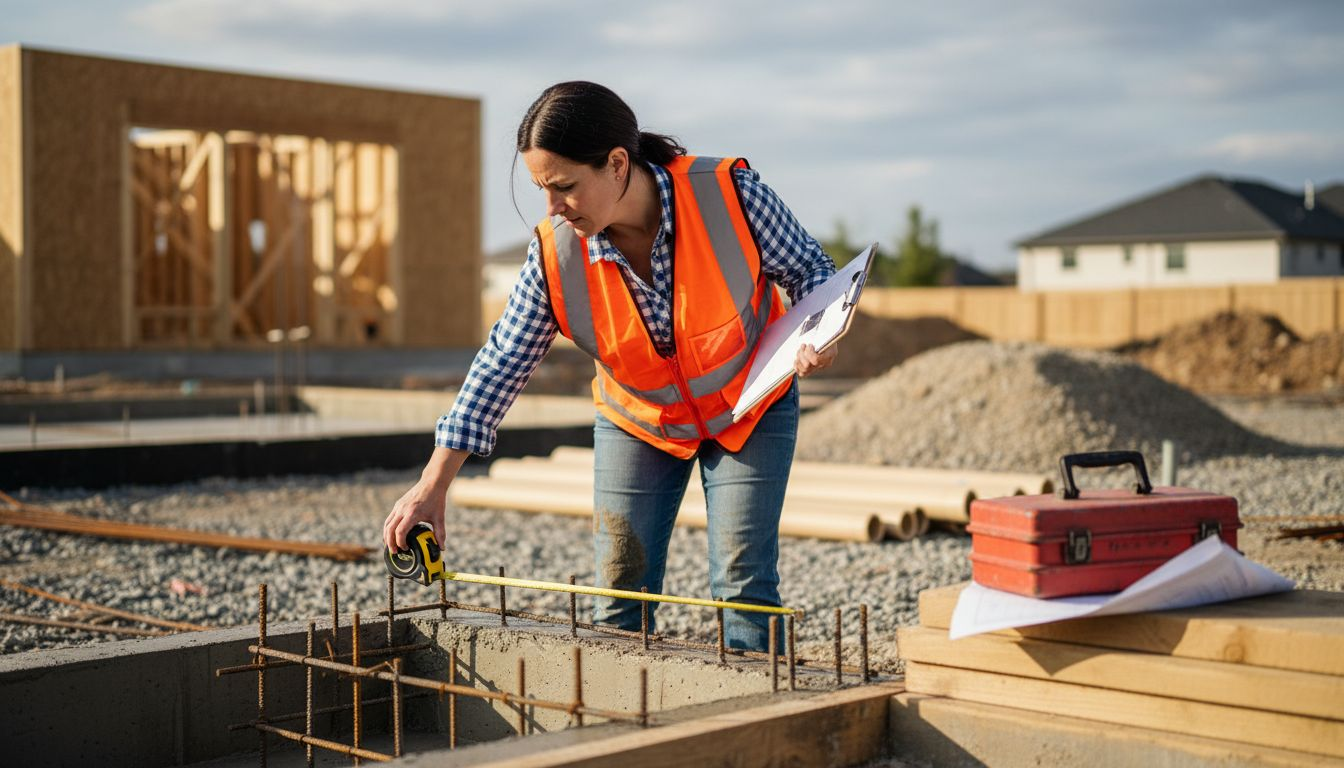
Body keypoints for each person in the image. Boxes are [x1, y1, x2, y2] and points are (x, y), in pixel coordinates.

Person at [382, 81, 838, 651]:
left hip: (750, 407)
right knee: (620, 598)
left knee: (744, 586)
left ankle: (752, 726)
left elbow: (814, 273)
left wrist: (818, 331)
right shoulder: (556, 253)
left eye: (564, 187)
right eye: (541, 189)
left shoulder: (729, 198)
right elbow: (503, 363)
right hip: (640, 422)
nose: (551, 207)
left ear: (618, 164)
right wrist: (432, 483)